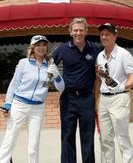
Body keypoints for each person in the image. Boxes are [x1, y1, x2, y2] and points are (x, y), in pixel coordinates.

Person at [0, 35, 65, 163]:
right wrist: (8, 103)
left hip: (37, 108)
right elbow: (13, 85)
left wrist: (57, 76)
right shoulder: (23, 63)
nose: (41, 48)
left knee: (33, 147)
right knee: (9, 141)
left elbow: (61, 87)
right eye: (38, 45)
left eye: (44, 45)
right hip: (19, 105)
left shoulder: (50, 66)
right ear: (32, 47)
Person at [53, 17, 100, 163]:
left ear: (86, 31)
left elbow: (102, 70)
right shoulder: (62, 48)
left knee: (88, 137)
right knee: (67, 136)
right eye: (75, 30)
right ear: (70, 32)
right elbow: (47, 65)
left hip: (87, 98)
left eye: (81, 30)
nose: (78, 33)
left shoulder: (94, 49)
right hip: (68, 98)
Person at [96, 23, 133, 163]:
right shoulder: (100, 56)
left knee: (122, 138)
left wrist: (122, 87)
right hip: (104, 100)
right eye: (102, 34)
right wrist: (97, 101)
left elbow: (132, 79)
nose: (104, 37)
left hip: (120, 98)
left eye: (108, 34)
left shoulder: (124, 54)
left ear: (115, 36)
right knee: (105, 139)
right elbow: (99, 79)